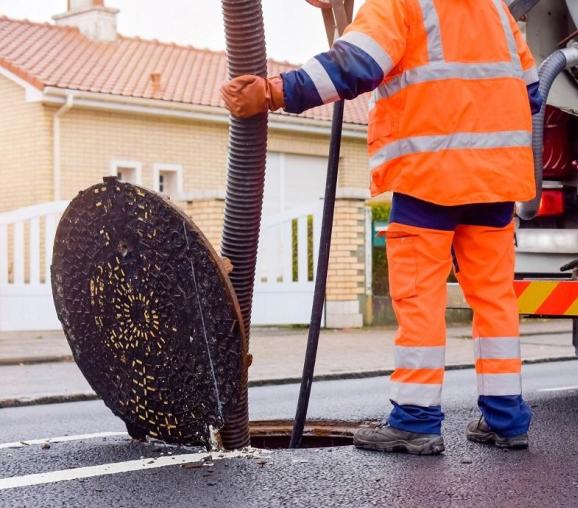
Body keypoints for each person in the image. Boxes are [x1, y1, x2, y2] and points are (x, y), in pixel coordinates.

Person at [221, 0, 543, 455]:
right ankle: (507, 419)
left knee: (420, 301)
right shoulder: (495, 11)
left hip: (429, 178)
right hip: (496, 182)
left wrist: (274, 92)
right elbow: (530, 92)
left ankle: (415, 420)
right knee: (495, 301)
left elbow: (357, 64)